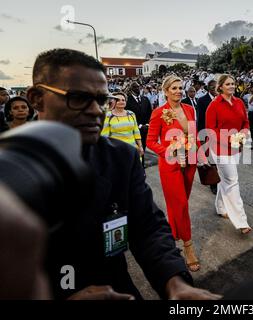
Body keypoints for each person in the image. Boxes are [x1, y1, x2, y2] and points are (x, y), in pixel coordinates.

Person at [26, 48, 220, 300]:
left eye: (101, 100)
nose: (96, 110)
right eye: (79, 98)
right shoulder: (10, 170)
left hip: (119, 288)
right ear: (37, 98)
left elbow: (147, 227)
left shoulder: (121, 158)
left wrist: (175, 282)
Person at [147, 75, 204, 272]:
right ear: (165, 91)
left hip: (190, 163)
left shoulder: (189, 109)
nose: (178, 91)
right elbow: (151, 141)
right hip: (170, 165)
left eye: (180, 88)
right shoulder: (158, 113)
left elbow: (194, 135)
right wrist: (169, 151)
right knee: (179, 203)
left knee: (179, 204)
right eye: (174, 88)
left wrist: (199, 154)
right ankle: (188, 247)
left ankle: (172, 235)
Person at [205, 74, 252, 234]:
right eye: (228, 84)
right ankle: (241, 221)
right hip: (219, 149)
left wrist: (243, 134)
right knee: (232, 180)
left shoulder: (239, 102)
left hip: (236, 147)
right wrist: (230, 138)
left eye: (233, 83)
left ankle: (220, 207)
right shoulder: (214, 105)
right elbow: (210, 131)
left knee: (225, 180)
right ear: (220, 87)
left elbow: (246, 122)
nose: (231, 86)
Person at [101, 92, 144, 157]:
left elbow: (136, 131)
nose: (121, 102)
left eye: (123, 100)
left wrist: (140, 146)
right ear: (113, 102)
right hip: (116, 151)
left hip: (132, 149)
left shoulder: (131, 114)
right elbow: (105, 135)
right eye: (118, 100)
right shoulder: (108, 115)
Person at [197, 79, 219, 195]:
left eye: (216, 87)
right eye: (212, 87)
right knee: (211, 159)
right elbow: (200, 120)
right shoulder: (202, 100)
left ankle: (221, 180)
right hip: (207, 135)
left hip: (221, 134)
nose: (215, 89)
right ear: (209, 88)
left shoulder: (222, 99)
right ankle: (213, 183)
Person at [125, 81, 152, 167]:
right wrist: (139, 125)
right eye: (135, 87)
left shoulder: (145, 99)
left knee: (142, 148)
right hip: (133, 130)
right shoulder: (127, 100)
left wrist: (147, 124)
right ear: (131, 89)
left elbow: (149, 113)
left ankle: (142, 166)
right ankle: (134, 166)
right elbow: (127, 116)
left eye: (138, 87)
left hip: (145, 129)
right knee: (134, 150)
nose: (137, 89)